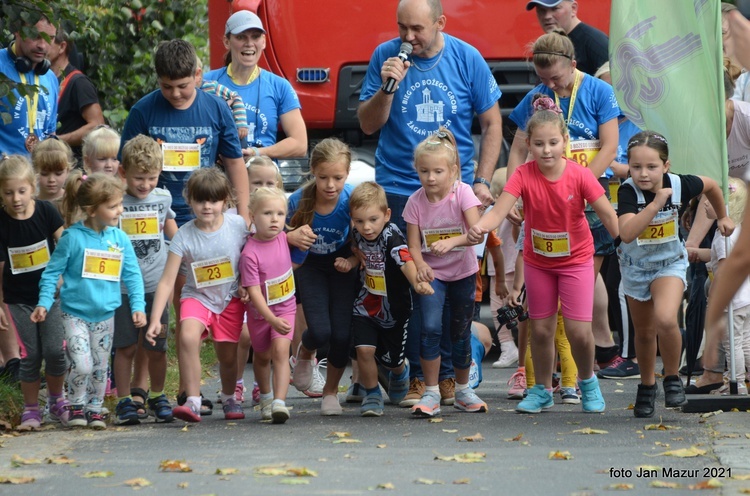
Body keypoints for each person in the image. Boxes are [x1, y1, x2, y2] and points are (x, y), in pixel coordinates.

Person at [358, 0, 503, 406]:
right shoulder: (385, 57)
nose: (408, 38)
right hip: (401, 189)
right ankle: (418, 376)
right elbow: (368, 124)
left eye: (417, 29)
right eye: (402, 27)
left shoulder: (466, 58)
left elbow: (492, 123)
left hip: (452, 194)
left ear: (440, 22)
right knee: (411, 291)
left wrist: (480, 181)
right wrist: (388, 88)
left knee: (456, 298)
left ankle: (452, 378)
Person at [468, 96, 619, 414]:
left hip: (576, 260)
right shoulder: (523, 175)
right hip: (538, 262)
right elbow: (499, 212)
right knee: (540, 328)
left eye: (553, 143)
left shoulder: (580, 175)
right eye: (539, 144)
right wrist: (480, 227)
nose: (546, 150)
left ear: (564, 142)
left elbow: (607, 215)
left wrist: (625, 234)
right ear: (528, 145)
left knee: (578, 331)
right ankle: (540, 390)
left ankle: (588, 382)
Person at [507, 31, 622, 375]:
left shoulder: (599, 91)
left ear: (573, 65)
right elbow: (516, 149)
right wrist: (510, 194)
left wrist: (581, 186)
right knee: (581, 279)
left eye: (555, 78)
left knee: (584, 273)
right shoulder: (537, 96)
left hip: (586, 200)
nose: (550, 87)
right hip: (545, 202)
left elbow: (610, 146)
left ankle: (579, 362)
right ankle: (598, 351)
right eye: (543, 80)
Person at [617, 131, 733, 418]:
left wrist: (723, 216)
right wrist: (656, 204)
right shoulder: (628, 191)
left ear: (666, 166)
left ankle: (671, 379)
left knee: (666, 318)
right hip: (636, 267)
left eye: (652, 167)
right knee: (643, 334)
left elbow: (712, 185)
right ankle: (646, 386)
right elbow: (628, 233)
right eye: (636, 167)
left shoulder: (681, 184)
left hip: (669, 262)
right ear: (628, 167)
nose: (643, 174)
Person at [31, 172, 146, 429]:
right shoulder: (72, 238)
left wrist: (138, 306)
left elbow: (132, 274)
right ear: (93, 210)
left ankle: (94, 409)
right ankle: (74, 404)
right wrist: (44, 303)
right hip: (74, 314)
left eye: (119, 204)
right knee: (82, 364)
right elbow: (51, 273)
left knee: (99, 365)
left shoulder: (119, 238)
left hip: (106, 314)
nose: (120, 210)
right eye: (113, 206)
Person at [145, 167, 249, 423]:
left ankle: (228, 396)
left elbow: (254, 257)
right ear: (189, 200)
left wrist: (249, 284)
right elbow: (167, 280)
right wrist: (156, 318)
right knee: (188, 337)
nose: (207, 206)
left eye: (213, 200)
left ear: (226, 201)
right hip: (197, 297)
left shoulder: (238, 226)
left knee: (227, 356)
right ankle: (192, 399)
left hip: (229, 299)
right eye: (200, 200)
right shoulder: (184, 235)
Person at [119, 39, 249, 225]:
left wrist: (243, 216)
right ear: (158, 79)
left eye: (182, 86)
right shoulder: (142, 111)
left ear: (196, 74)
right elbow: (124, 168)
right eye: (167, 87)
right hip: (155, 217)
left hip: (206, 214)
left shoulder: (217, 109)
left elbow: (234, 164)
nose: (175, 94)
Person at [403, 127, 487, 417]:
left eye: (438, 171)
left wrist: (453, 241)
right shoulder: (414, 202)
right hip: (433, 276)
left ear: (453, 171)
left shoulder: (463, 193)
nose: (431, 178)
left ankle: (463, 390)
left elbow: (475, 234)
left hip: (463, 273)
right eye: (424, 171)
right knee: (430, 329)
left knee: (461, 332)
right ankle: (430, 392)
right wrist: (422, 265)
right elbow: (412, 246)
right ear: (416, 170)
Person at [335, 181, 433, 416]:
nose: (366, 227)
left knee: (392, 362)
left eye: (372, 220)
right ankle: (372, 394)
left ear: (386, 215)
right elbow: (362, 256)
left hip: (395, 309)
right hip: (365, 305)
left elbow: (405, 261)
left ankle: (400, 372)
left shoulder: (393, 237)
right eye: (359, 221)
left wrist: (417, 283)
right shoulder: (357, 234)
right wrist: (350, 262)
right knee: (364, 351)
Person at [287, 138, 359, 416]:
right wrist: (290, 236)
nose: (330, 185)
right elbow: (275, 236)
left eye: (337, 178)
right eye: (323, 177)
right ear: (313, 171)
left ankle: (330, 392)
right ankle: (304, 354)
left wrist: (352, 260)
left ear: (347, 174)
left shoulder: (351, 199)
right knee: (320, 331)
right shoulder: (298, 200)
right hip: (310, 266)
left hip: (342, 265)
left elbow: (364, 236)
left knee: (342, 335)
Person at [112, 135, 178, 425]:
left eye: (152, 178)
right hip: (123, 287)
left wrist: (186, 253)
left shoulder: (163, 198)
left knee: (157, 345)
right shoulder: (114, 199)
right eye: (139, 178)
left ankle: (158, 394)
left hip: (155, 285)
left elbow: (171, 227)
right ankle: (124, 399)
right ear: (123, 172)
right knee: (125, 345)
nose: (145, 185)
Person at [0, 155, 69, 429]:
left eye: (22, 191)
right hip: (18, 301)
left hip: (50, 296)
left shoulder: (46, 212)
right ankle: (31, 409)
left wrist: (64, 276)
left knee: (54, 351)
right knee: (31, 354)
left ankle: (57, 401)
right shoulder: (2, 223)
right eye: (8, 192)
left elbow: (64, 245)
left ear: (32, 188)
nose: (16, 198)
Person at [204, 10, 307, 162]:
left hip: (263, 179)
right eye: (241, 37)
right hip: (218, 178)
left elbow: (300, 145)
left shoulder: (280, 85)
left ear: (263, 41)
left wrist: (257, 152)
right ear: (227, 41)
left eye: (255, 36)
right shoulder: (207, 82)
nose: (249, 43)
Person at [230, 156, 284, 407]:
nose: (264, 187)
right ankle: (237, 383)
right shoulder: (238, 221)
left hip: (270, 294)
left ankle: (258, 387)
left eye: (270, 182)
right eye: (256, 182)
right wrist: (239, 281)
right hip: (241, 289)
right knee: (243, 336)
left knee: (267, 343)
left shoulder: (277, 218)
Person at [239, 187, 296, 423]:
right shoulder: (249, 253)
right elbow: (254, 293)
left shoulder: (284, 238)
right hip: (261, 314)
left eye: (280, 214)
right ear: (252, 216)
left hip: (286, 307)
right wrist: (270, 319)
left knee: (281, 352)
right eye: (267, 213)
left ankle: (280, 402)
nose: (275, 219)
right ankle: (265, 397)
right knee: (262, 357)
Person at [693, 178, 749, 396]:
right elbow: (720, 256)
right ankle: (746, 379)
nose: (705, 204)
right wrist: (698, 254)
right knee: (745, 341)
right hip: (746, 299)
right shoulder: (739, 230)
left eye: (710, 201)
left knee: (731, 344)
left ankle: (736, 384)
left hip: (731, 303)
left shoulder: (722, 236)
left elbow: (725, 269)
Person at [0, 14, 58, 156]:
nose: (42, 45)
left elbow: (50, 132)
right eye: (36, 36)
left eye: (50, 38)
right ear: (17, 30)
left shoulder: (51, 78)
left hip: (37, 175)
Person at [47, 28, 105, 165]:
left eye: (47, 40)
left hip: (72, 167)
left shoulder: (78, 82)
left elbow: (97, 125)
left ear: (62, 47)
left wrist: (58, 141)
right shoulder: (46, 80)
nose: (41, 45)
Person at [525, 0, 608, 77]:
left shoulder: (595, 43)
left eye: (555, 8)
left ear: (573, 8)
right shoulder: (554, 41)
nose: (547, 16)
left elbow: (614, 88)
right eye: (541, 10)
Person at [195, 58, 249, 141]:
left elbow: (235, 97)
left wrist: (241, 123)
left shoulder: (212, 87)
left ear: (198, 75)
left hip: (223, 131)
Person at [31, 137, 74, 215]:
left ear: (68, 171)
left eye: (58, 173)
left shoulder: (72, 201)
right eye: (44, 173)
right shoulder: (29, 203)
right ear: (34, 171)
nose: (51, 179)